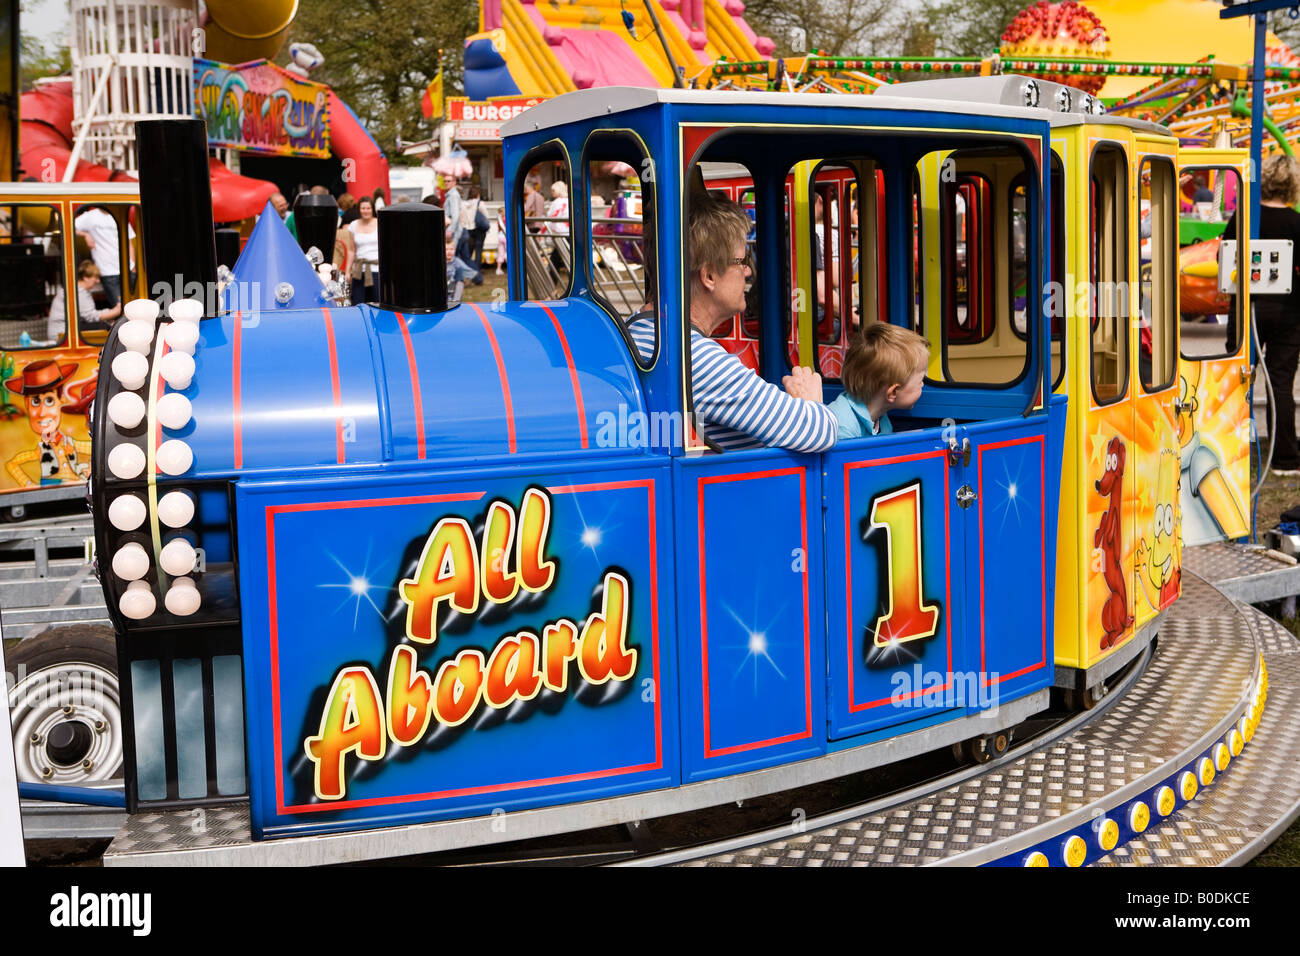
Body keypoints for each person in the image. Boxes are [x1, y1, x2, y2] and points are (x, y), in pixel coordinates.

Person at [627, 194, 835, 452]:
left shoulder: (636, 328)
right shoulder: (696, 358)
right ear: (710, 275)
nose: (748, 271)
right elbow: (819, 431)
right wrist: (811, 400)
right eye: (742, 261)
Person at [1225, 155, 1300, 476]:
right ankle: (1284, 458)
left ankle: (1227, 449)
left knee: (1236, 378)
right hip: (1289, 311)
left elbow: (1224, 256)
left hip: (1247, 307)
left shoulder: (1246, 217)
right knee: (1280, 383)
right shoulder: (1297, 223)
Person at [826, 322, 930, 439]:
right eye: (920, 380)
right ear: (893, 392)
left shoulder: (881, 420)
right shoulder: (841, 426)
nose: (922, 384)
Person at [4, 360, 92, 487]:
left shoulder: (69, 443)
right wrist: (29, 485)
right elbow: (11, 464)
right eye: (35, 402)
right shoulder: (40, 450)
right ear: (27, 405)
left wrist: (90, 468)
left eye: (49, 400)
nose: (42, 413)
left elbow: (95, 449)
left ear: (61, 400)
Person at [74, 206, 133, 308]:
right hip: (107, 271)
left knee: (133, 305)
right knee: (120, 307)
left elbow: (129, 242)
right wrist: (85, 235)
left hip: (128, 269)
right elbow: (66, 226)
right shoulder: (90, 216)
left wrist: (133, 264)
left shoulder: (120, 214)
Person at [46, 260, 122, 340]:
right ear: (86, 278)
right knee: (105, 326)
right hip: (61, 332)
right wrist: (116, 311)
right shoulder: (78, 292)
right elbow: (91, 316)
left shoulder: (79, 290)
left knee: (105, 324)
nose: (98, 281)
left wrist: (112, 311)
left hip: (67, 329)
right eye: (95, 277)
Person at [347, 196, 380, 304]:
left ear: (373, 209)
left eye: (368, 208)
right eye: (363, 208)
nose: (366, 211)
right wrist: (347, 271)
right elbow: (351, 250)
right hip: (359, 270)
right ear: (359, 210)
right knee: (358, 302)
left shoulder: (380, 223)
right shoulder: (353, 225)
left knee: (377, 302)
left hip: (376, 269)